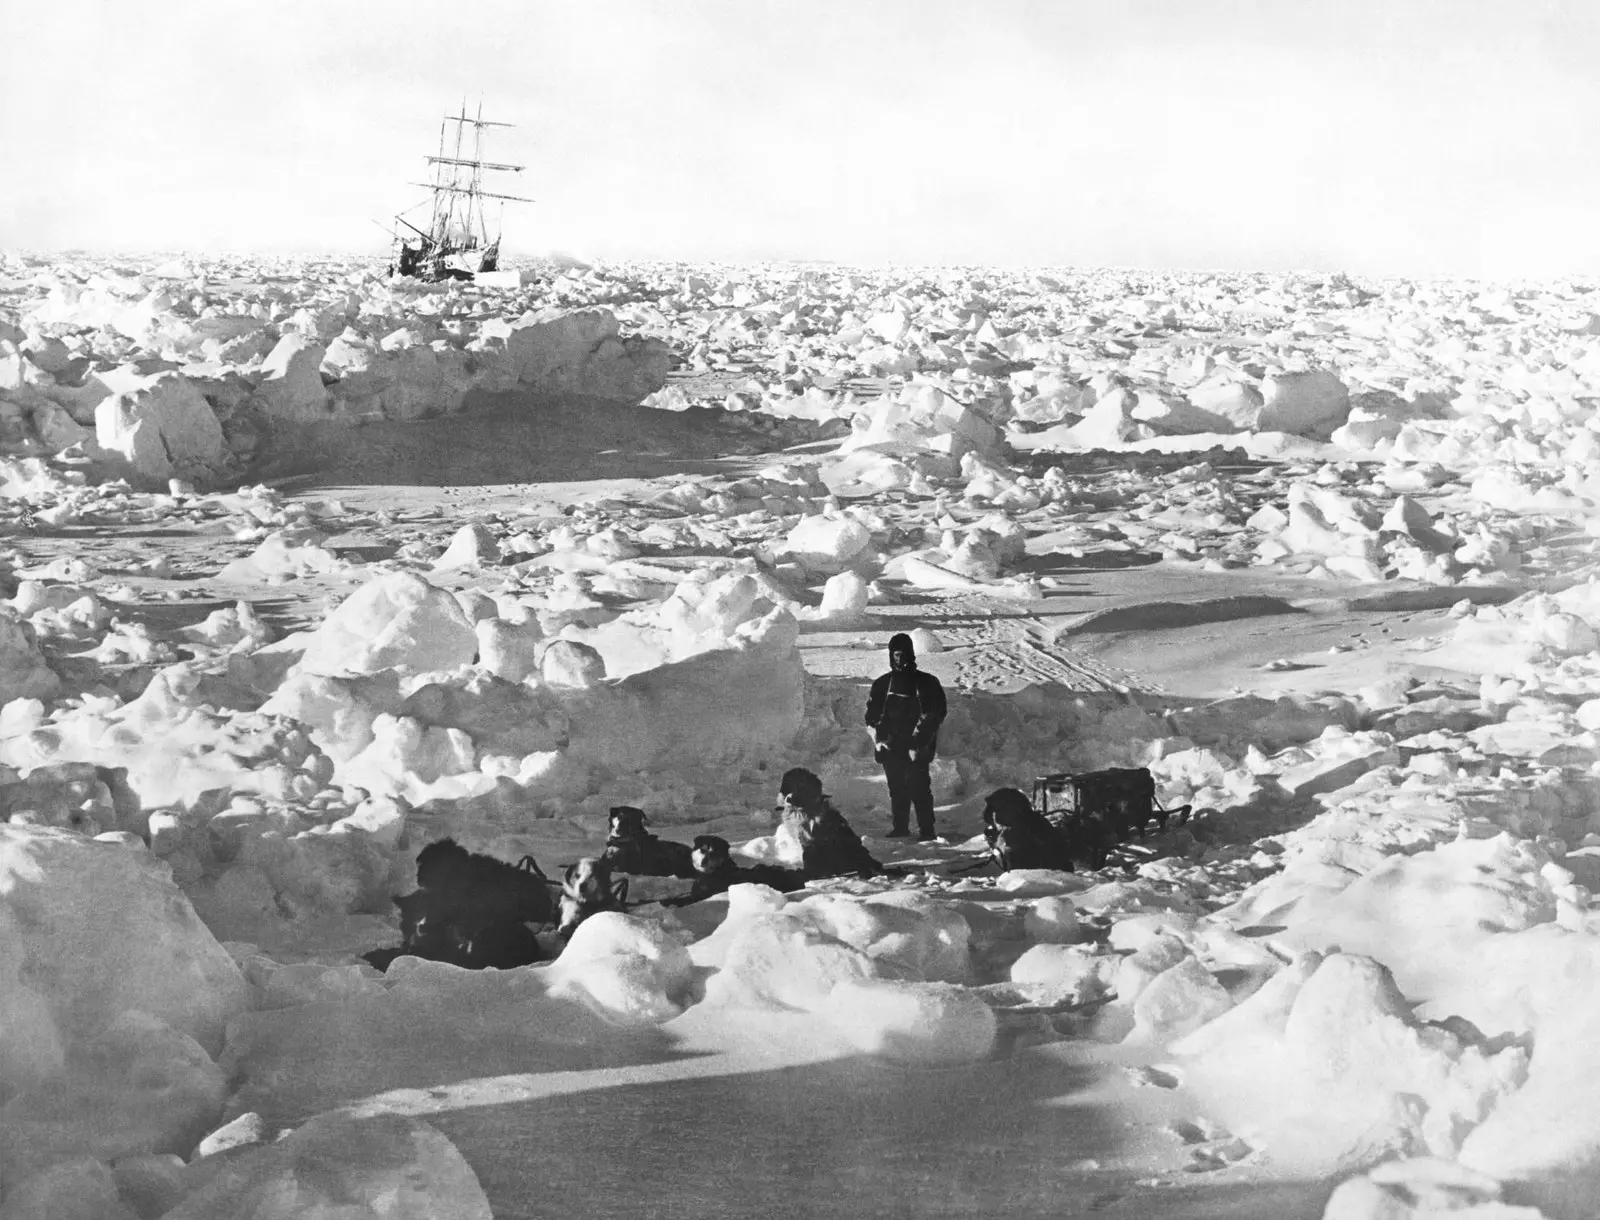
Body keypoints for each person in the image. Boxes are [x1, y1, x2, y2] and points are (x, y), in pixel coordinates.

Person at [863, 632, 948, 841]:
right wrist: (880, 738)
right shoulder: (883, 684)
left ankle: (927, 830)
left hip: (917, 745)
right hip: (891, 745)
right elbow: (872, 715)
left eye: (903, 655)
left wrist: (919, 742)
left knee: (919, 787)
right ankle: (900, 827)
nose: (899, 660)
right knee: (896, 789)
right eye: (895, 655)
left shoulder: (927, 683)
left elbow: (936, 714)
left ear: (911, 654)